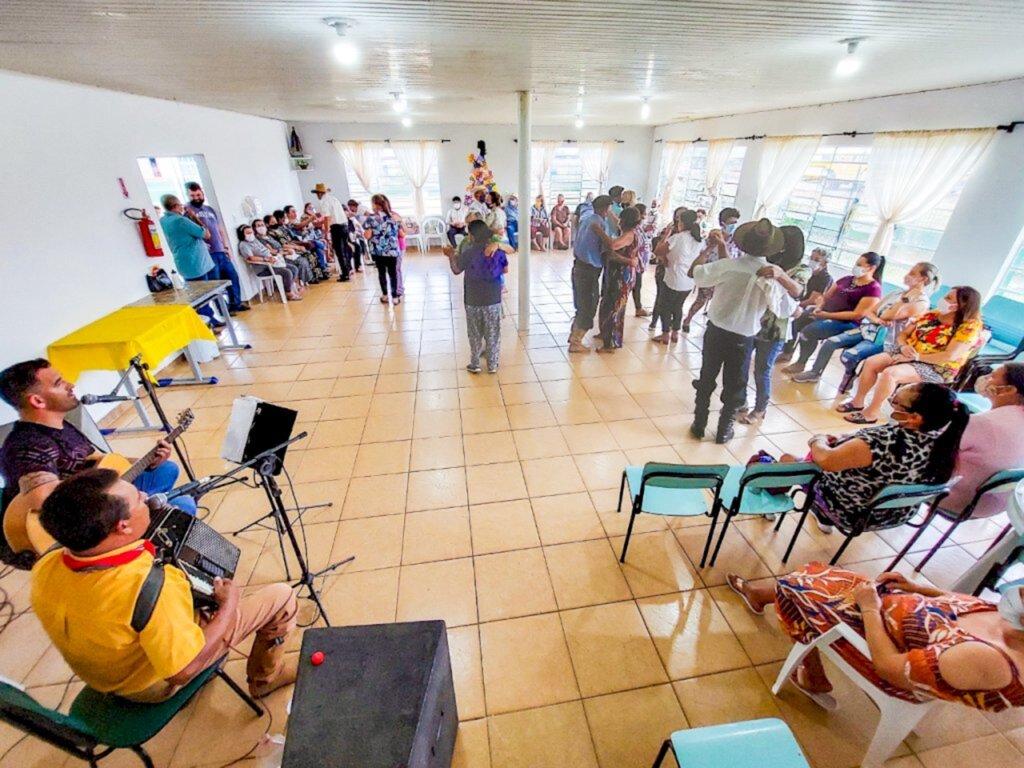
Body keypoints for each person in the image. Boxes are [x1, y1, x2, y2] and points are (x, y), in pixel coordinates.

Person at [31, 469, 298, 702]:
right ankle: (266, 680)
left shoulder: (48, 563)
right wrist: (229, 604)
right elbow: (183, 670)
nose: (148, 499)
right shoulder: (147, 585)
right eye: (139, 499)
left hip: (106, 674)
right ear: (122, 526)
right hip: (150, 685)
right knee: (282, 598)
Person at [727, 563, 1024, 712]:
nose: (1017, 592)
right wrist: (917, 588)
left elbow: (888, 668)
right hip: (894, 620)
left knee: (796, 586)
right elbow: (963, 603)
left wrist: (870, 608)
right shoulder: (1014, 623)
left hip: (884, 652)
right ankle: (762, 595)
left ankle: (813, 674)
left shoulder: (988, 661)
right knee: (815, 571)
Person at [0, 359, 198, 562]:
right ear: (38, 401)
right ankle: (152, 543)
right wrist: (120, 497)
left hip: (103, 501)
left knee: (165, 469)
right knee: (184, 505)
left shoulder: (60, 425)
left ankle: (148, 517)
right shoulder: (28, 445)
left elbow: (94, 463)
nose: (71, 385)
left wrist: (149, 461)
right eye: (59, 383)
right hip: (88, 523)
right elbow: (46, 500)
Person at [688, 218, 800, 443]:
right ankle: (723, 429)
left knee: (707, 377)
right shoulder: (769, 276)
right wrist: (781, 275)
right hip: (743, 338)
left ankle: (699, 423)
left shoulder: (728, 266)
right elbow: (791, 307)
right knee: (735, 385)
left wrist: (711, 246)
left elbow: (696, 272)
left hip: (716, 332)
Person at [803, 382, 969, 532]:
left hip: (849, 512)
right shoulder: (945, 444)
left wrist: (818, 440)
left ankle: (802, 509)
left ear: (914, 418)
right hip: (894, 514)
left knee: (790, 461)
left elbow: (826, 460)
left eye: (895, 402)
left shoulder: (880, 441)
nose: (889, 403)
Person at [840, 286, 984, 424]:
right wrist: (903, 346)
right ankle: (857, 402)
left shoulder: (970, 327)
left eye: (949, 297)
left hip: (937, 365)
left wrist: (915, 357)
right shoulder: (933, 314)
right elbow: (904, 334)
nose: (943, 299)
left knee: (891, 373)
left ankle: (872, 413)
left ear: (960, 305)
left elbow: (949, 356)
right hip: (909, 352)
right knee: (872, 362)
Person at [792, 261, 939, 385]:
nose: (907, 275)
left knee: (849, 355)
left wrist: (903, 301)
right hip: (868, 330)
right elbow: (871, 311)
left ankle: (850, 376)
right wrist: (876, 319)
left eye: (913, 273)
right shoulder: (897, 293)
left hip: (887, 340)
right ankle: (814, 372)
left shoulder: (921, 302)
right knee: (830, 342)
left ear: (923, 279)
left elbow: (888, 315)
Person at [737, 226, 810, 426]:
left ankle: (760, 408)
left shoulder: (801, 269)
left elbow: (797, 291)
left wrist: (780, 275)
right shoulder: (766, 260)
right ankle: (741, 400)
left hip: (774, 328)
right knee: (741, 364)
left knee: (762, 369)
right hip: (752, 321)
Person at [780, 252, 886, 374]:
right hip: (825, 313)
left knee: (810, 331)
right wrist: (819, 307)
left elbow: (857, 314)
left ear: (871, 268)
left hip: (847, 323)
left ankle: (805, 365)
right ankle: (787, 352)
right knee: (798, 318)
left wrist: (826, 315)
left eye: (859, 264)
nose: (855, 267)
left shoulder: (873, 289)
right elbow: (825, 297)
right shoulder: (846, 280)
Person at [943, 364, 1024, 518]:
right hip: (997, 504)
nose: (986, 379)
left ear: (1009, 389)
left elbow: (934, 446)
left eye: (993, 376)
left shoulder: (986, 422)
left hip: (957, 497)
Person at [446, 220, 513, 374]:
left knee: (474, 332)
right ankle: (492, 364)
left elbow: (456, 270)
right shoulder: (497, 250)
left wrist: (450, 255)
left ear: (471, 236)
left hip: (473, 299)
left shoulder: (468, 252)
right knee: (493, 332)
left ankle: (475, 363)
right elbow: (506, 269)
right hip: (492, 298)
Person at [185, 183, 249, 313]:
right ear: (188, 195)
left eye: (198, 194)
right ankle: (223, 309)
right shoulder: (187, 213)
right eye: (192, 195)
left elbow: (219, 229)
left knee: (232, 277)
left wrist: (225, 246)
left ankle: (235, 304)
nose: (196, 198)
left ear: (202, 193)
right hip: (208, 254)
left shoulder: (210, 210)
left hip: (220, 251)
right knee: (216, 282)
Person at [567, 195, 615, 353]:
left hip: (578, 267)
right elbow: (609, 246)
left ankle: (573, 333)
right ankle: (576, 341)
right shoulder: (599, 223)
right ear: (604, 209)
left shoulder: (587, 218)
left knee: (581, 303)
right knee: (589, 306)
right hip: (589, 269)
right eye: (609, 208)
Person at [682, 207, 741, 333]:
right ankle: (688, 319)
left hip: (728, 276)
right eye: (731, 223)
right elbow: (703, 253)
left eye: (735, 223)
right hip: (711, 273)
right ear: (722, 223)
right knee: (701, 300)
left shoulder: (736, 241)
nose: (733, 226)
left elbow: (737, 258)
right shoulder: (713, 237)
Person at [651, 209, 703, 344]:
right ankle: (675, 333)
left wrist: (666, 235)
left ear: (681, 223)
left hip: (674, 279)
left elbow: (658, 251)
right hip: (689, 281)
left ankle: (665, 334)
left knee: (665, 307)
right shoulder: (699, 240)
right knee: (678, 306)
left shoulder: (678, 238)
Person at [596, 207, 642, 353]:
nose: (619, 222)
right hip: (617, 274)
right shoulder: (632, 232)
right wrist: (609, 212)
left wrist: (599, 231)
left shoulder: (629, 235)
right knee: (608, 304)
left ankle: (610, 343)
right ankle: (606, 334)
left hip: (622, 276)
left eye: (621, 219)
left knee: (613, 308)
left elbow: (612, 245)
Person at [237, 225, 303, 301]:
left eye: (251, 232)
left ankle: (288, 288)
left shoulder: (255, 240)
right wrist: (265, 259)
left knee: (294, 268)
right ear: (242, 234)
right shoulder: (244, 245)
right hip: (263, 269)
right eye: (248, 233)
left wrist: (279, 253)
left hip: (273, 263)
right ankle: (289, 293)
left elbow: (266, 250)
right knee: (287, 272)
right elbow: (250, 258)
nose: (251, 234)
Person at [364, 193, 404, 305]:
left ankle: (385, 295)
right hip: (392, 249)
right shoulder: (394, 217)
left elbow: (367, 235)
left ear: (375, 205)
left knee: (381, 273)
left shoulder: (371, 219)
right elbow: (401, 234)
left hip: (378, 250)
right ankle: (395, 297)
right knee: (393, 274)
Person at [253, 219, 314, 287]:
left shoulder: (269, 237)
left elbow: (280, 245)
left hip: (283, 253)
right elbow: (272, 251)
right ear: (254, 228)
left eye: (262, 225)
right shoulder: (259, 240)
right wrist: (285, 252)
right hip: (279, 258)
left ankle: (303, 281)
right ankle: (298, 283)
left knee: (304, 257)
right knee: (301, 261)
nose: (261, 227)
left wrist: (289, 249)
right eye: (258, 226)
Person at [311, 183, 352, 282]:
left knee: (339, 251)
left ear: (319, 193)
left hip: (336, 228)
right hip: (344, 226)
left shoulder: (324, 201)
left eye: (317, 193)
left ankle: (345, 274)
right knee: (344, 249)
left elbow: (327, 218)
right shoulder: (333, 199)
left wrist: (326, 232)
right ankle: (348, 269)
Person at [632, 202, 652, 318]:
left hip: (640, 263)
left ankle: (638, 307)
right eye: (644, 213)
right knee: (635, 286)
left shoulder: (640, 228)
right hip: (636, 264)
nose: (646, 216)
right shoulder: (635, 230)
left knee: (637, 286)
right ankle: (638, 307)